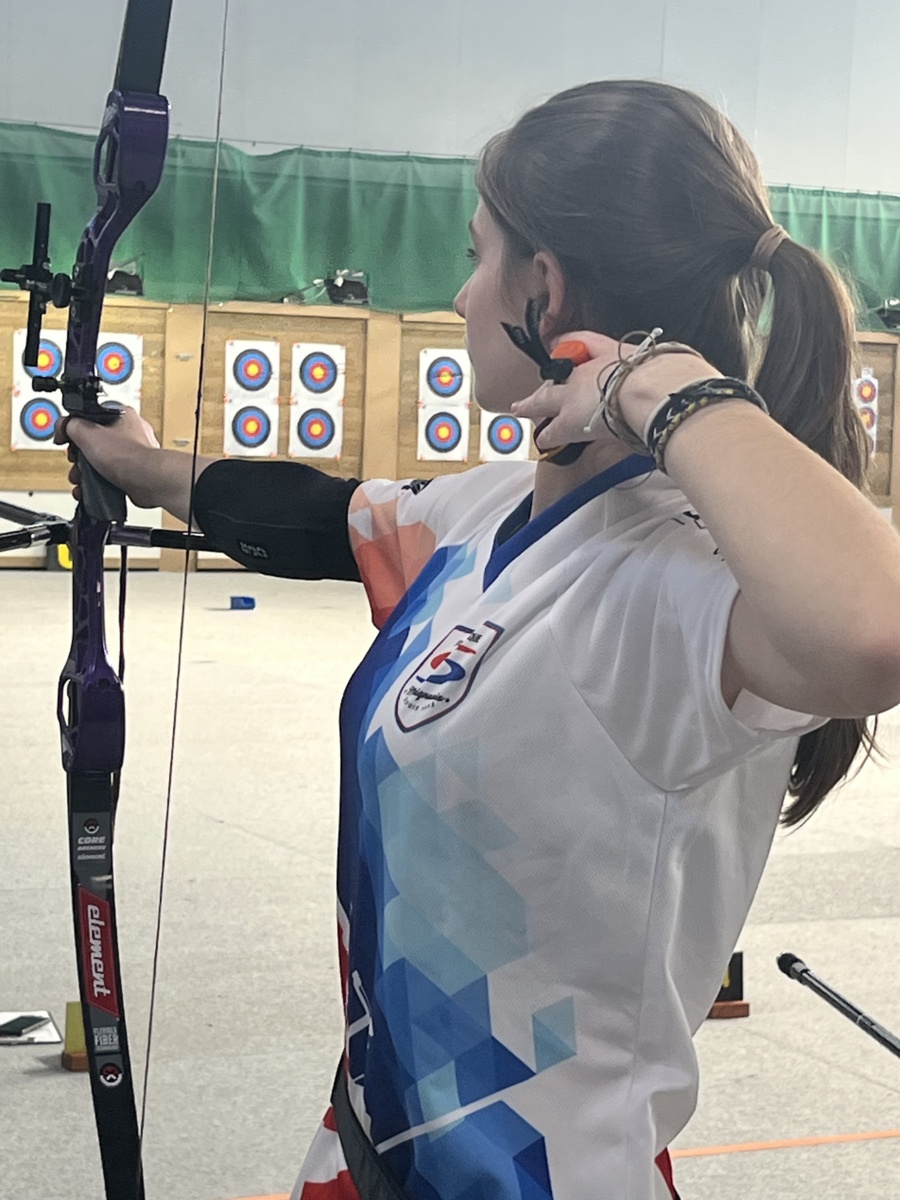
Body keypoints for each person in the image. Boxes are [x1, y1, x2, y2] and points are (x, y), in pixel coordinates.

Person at [59, 79, 900, 1200]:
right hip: (378, 1143)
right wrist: (141, 462)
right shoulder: (483, 511)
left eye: (476, 256)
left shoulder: (682, 583)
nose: (459, 295)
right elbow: (317, 514)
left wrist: (661, 386)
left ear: (543, 291)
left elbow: (874, 629)